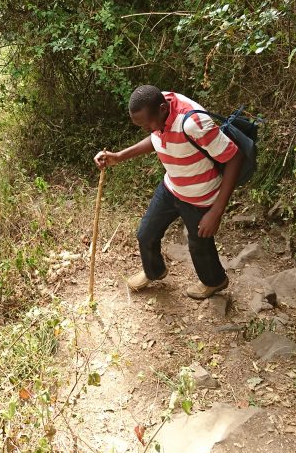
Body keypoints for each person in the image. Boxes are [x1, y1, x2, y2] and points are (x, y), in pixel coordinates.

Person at [94, 85, 243, 299]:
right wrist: (119, 156)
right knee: (146, 233)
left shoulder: (193, 123)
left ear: (163, 109)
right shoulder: (157, 105)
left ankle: (214, 281)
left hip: (201, 196)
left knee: (199, 244)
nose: (147, 129)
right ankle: (154, 271)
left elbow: (234, 158)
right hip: (172, 186)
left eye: (147, 124)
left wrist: (216, 211)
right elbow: (156, 137)